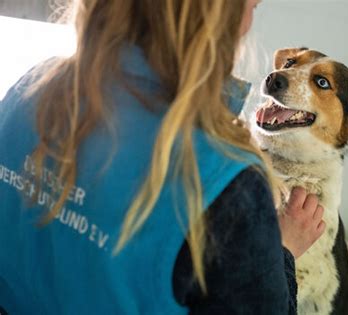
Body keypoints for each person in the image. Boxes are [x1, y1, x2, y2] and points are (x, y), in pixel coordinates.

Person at [0, 0, 326, 314]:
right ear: (215, 16)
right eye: (251, 7)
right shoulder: (226, 181)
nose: (248, 25)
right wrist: (280, 252)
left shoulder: (32, 87)